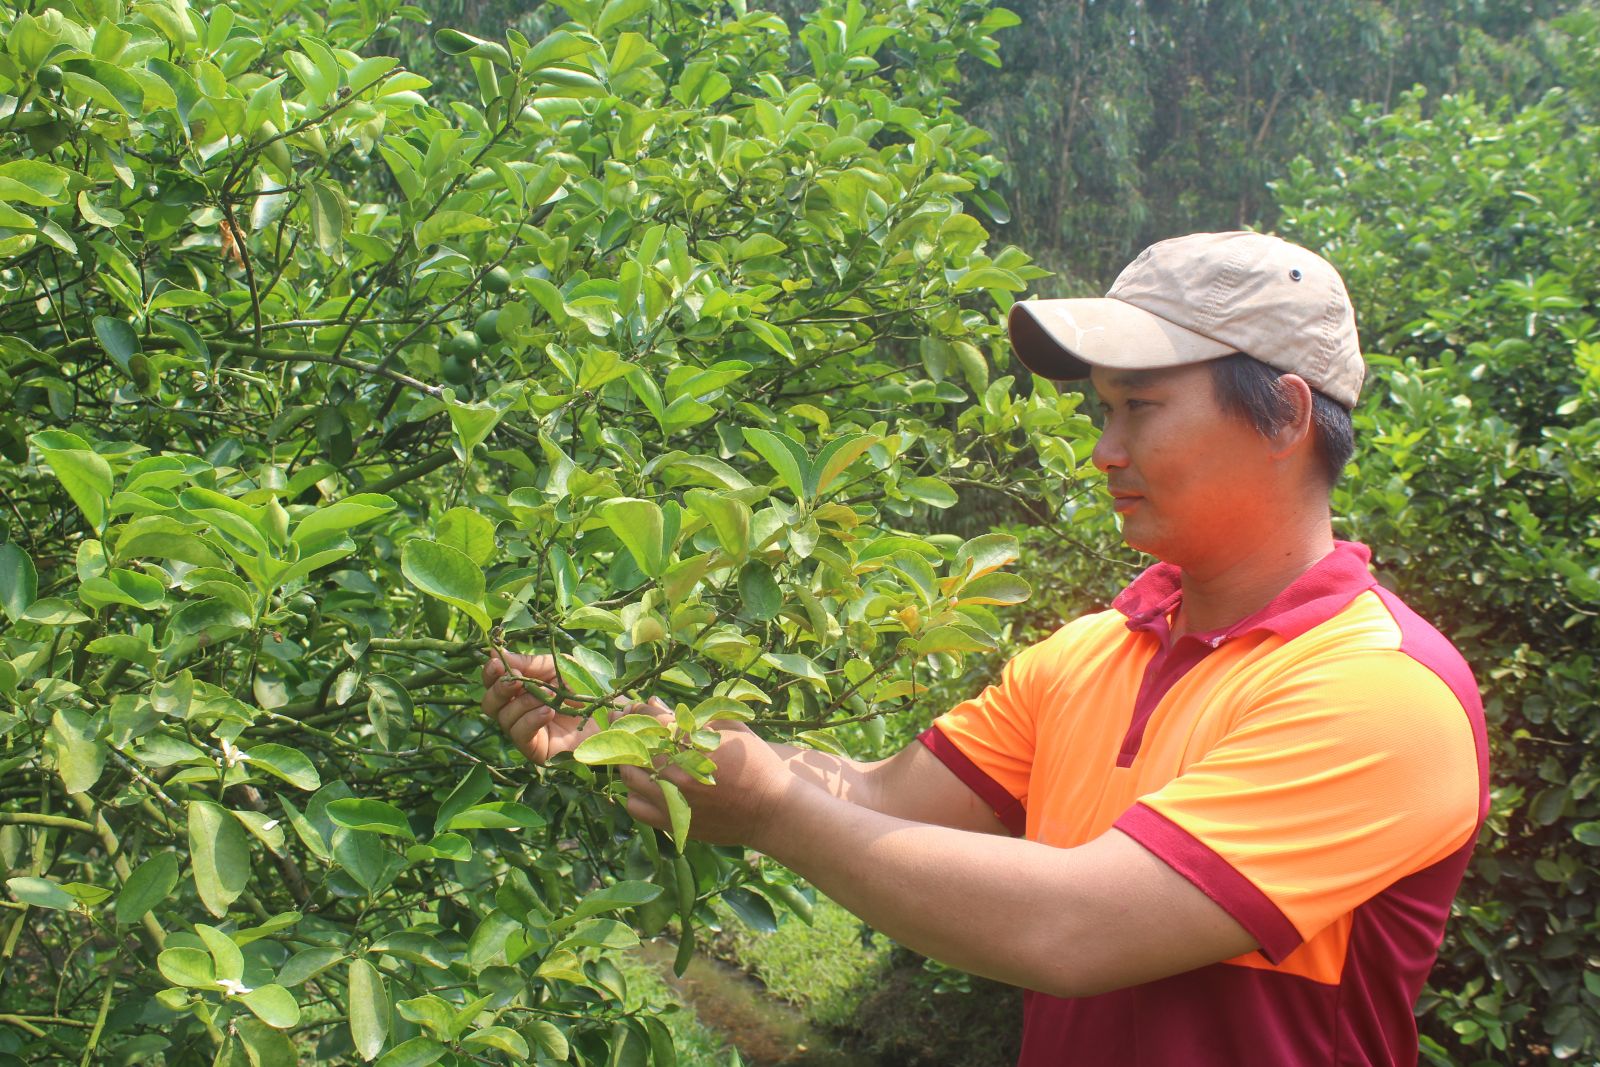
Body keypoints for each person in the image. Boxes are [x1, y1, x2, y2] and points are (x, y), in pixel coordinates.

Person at [481, 231, 1488, 1066]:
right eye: (1101, 408)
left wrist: (769, 809)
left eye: (1140, 406)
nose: (1103, 448)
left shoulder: (1382, 692)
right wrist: (654, 732)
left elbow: (1077, 927)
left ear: (1287, 416)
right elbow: (875, 796)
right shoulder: (1094, 650)